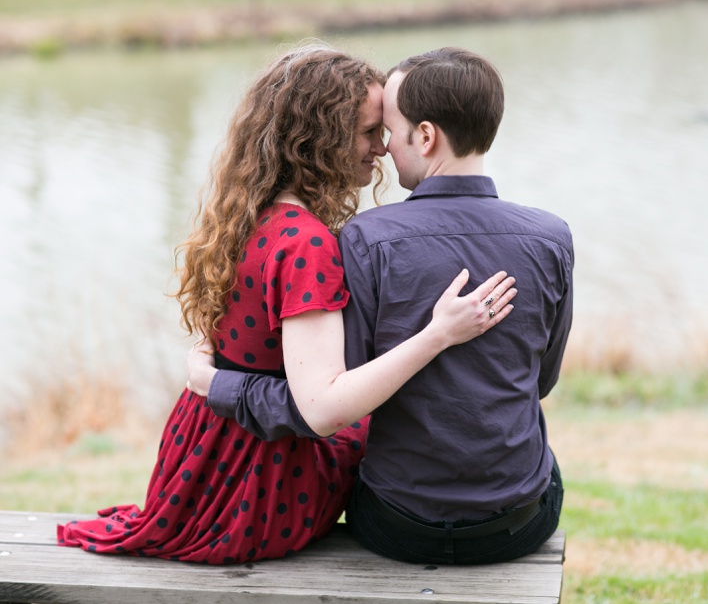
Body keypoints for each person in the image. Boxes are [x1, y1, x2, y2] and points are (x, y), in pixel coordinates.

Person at [57, 42, 516, 565]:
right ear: (319, 139)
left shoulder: (245, 212)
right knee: (402, 443)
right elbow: (321, 409)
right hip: (264, 488)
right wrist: (438, 334)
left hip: (200, 464)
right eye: (369, 131)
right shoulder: (307, 244)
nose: (383, 148)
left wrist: (215, 383)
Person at [189, 46, 574, 565]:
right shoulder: (552, 239)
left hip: (397, 526)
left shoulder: (365, 241)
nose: (385, 149)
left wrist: (222, 385)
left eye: (388, 131)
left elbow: (328, 402)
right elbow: (541, 382)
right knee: (542, 467)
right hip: (518, 525)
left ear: (426, 136)